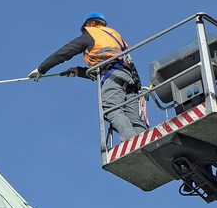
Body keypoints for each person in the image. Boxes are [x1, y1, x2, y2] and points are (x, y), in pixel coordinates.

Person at [29, 13, 148, 141]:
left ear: (91, 24)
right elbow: (109, 64)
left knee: (112, 109)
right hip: (130, 80)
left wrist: (41, 69)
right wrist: (79, 71)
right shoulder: (116, 38)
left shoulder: (91, 34)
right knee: (134, 117)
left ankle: (132, 142)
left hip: (113, 76)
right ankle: (147, 142)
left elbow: (64, 52)